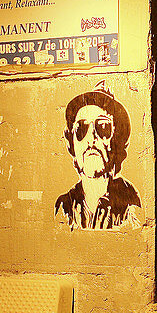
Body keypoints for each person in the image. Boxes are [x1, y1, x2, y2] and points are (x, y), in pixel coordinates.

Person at [55, 82, 141, 229]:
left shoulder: (130, 204)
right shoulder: (64, 206)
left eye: (102, 127)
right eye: (81, 129)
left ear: (117, 139)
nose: (91, 138)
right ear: (71, 143)